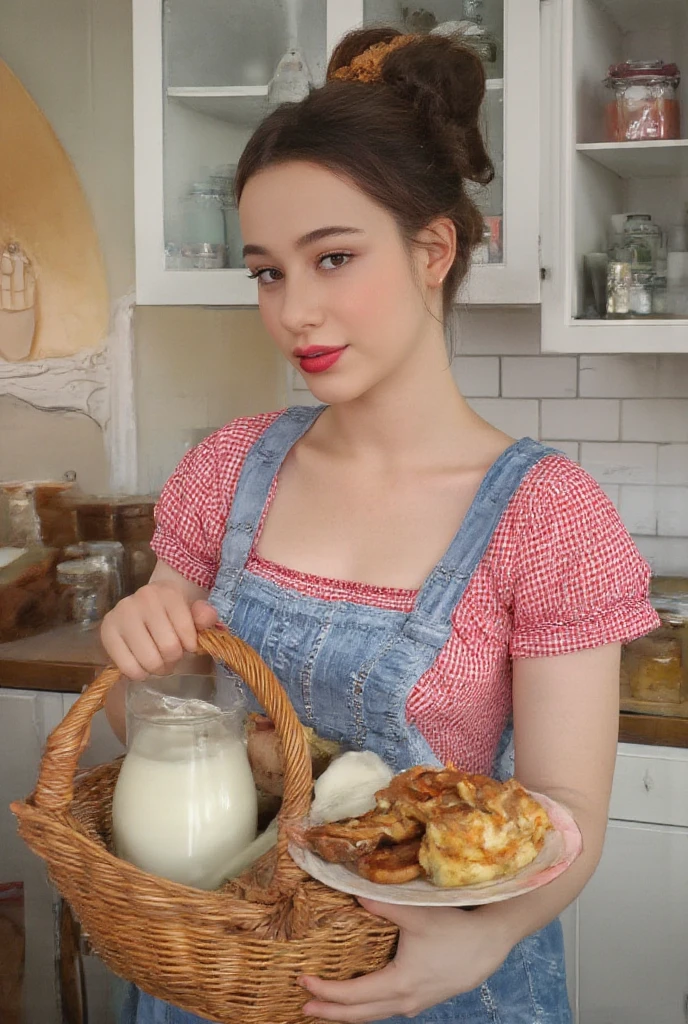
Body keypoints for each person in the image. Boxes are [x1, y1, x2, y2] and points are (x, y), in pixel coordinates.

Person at [103, 26, 659, 1024]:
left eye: (333, 258)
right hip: (224, 971)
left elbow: (566, 815)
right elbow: (156, 735)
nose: (294, 312)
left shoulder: (547, 517)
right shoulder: (228, 468)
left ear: (432, 249)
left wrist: (486, 933)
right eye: (269, 271)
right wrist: (143, 652)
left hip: (441, 984)